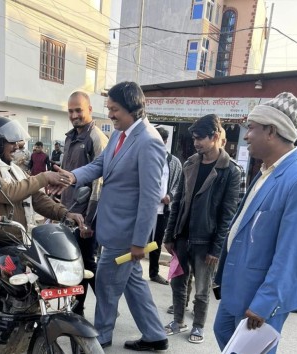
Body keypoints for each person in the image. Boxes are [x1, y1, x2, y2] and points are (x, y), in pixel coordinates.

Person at [55, 81, 168, 351]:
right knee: (133, 284)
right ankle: (155, 335)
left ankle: (100, 339)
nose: (111, 115)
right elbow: (99, 165)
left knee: (105, 284)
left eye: (115, 109)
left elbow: (150, 198)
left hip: (126, 235)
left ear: (132, 108)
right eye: (109, 109)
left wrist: (140, 242)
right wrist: (73, 177)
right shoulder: (120, 134)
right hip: (113, 228)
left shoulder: (149, 142)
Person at [0, 116, 83, 354]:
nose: (17, 146)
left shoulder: (16, 169)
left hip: (17, 238)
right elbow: (7, 193)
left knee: (38, 277)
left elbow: (37, 198)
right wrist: (42, 177)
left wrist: (65, 214)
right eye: (12, 142)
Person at [214, 92, 297, 354]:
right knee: (224, 336)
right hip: (237, 288)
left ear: (271, 131)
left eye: (251, 128)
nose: (247, 136)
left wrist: (265, 302)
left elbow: (292, 253)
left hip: (260, 297)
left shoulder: (296, 180)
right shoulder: (267, 171)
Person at [163, 114, 241, 344]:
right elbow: (177, 202)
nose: (196, 142)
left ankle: (198, 325)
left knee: (202, 290)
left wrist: (216, 250)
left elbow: (227, 216)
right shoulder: (190, 163)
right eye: (194, 138)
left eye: (200, 138)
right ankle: (178, 320)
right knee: (178, 282)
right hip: (181, 237)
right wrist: (169, 235)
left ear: (215, 136)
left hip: (206, 242)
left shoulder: (230, 172)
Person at [60, 91, 108, 316]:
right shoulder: (70, 137)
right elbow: (67, 177)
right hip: (69, 214)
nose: (74, 115)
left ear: (90, 109)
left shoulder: (96, 138)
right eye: (71, 111)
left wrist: (88, 221)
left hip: (86, 217)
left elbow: (99, 183)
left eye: (79, 110)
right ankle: (85, 308)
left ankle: (83, 311)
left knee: (86, 264)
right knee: (74, 264)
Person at [149, 127, 182, 285]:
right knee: (139, 241)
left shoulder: (174, 162)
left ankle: (154, 272)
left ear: (165, 142)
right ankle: (132, 271)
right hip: (145, 209)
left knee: (156, 242)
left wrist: (170, 196)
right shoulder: (146, 158)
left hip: (163, 210)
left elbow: (178, 184)